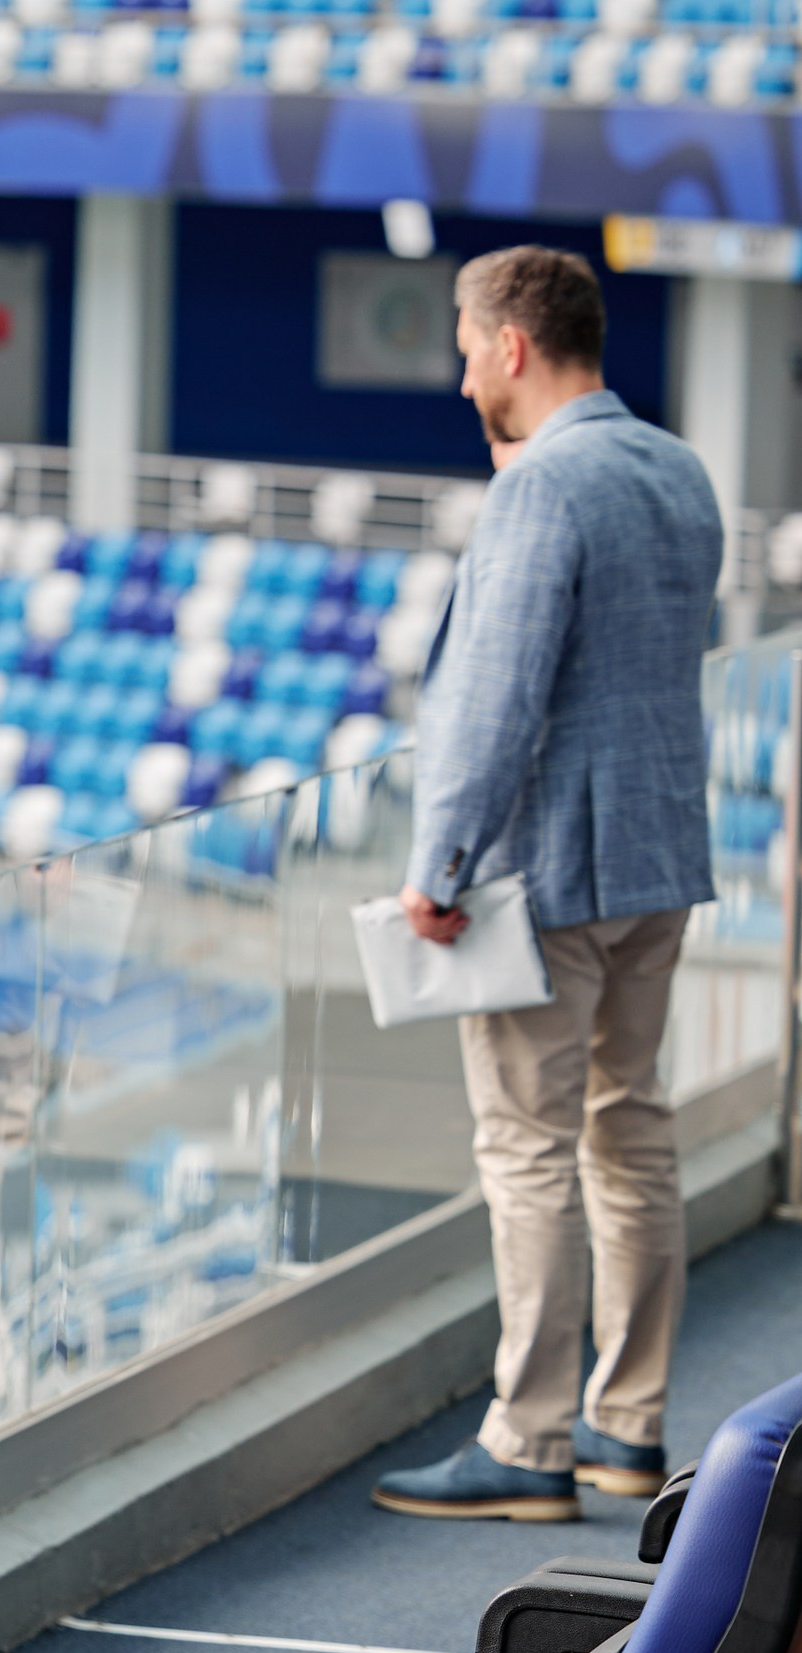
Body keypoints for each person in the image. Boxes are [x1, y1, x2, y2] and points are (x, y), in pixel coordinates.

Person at [373, 246, 722, 1522]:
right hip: (658, 858)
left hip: (548, 876)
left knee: (526, 1150)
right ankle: (626, 1428)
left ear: (511, 345)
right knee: (630, 1133)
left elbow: (494, 696)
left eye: (468, 347)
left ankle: (526, 1436)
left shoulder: (540, 490)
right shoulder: (678, 468)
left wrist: (438, 868)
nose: (464, 375)